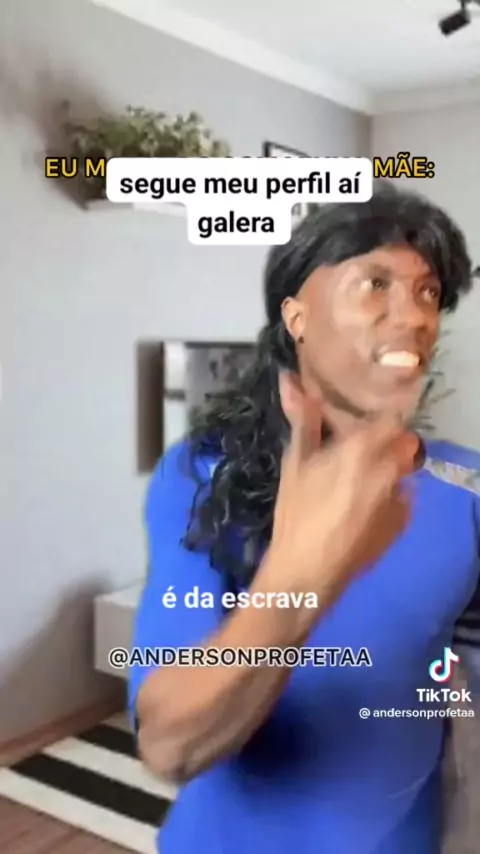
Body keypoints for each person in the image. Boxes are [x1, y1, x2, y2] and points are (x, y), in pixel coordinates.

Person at [129, 182, 480, 854]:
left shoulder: (466, 485)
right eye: (374, 284)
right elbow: (170, 745)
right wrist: (303, 575)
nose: (413, 316)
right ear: (297, 316)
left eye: (428, 292)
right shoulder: (201, 474)